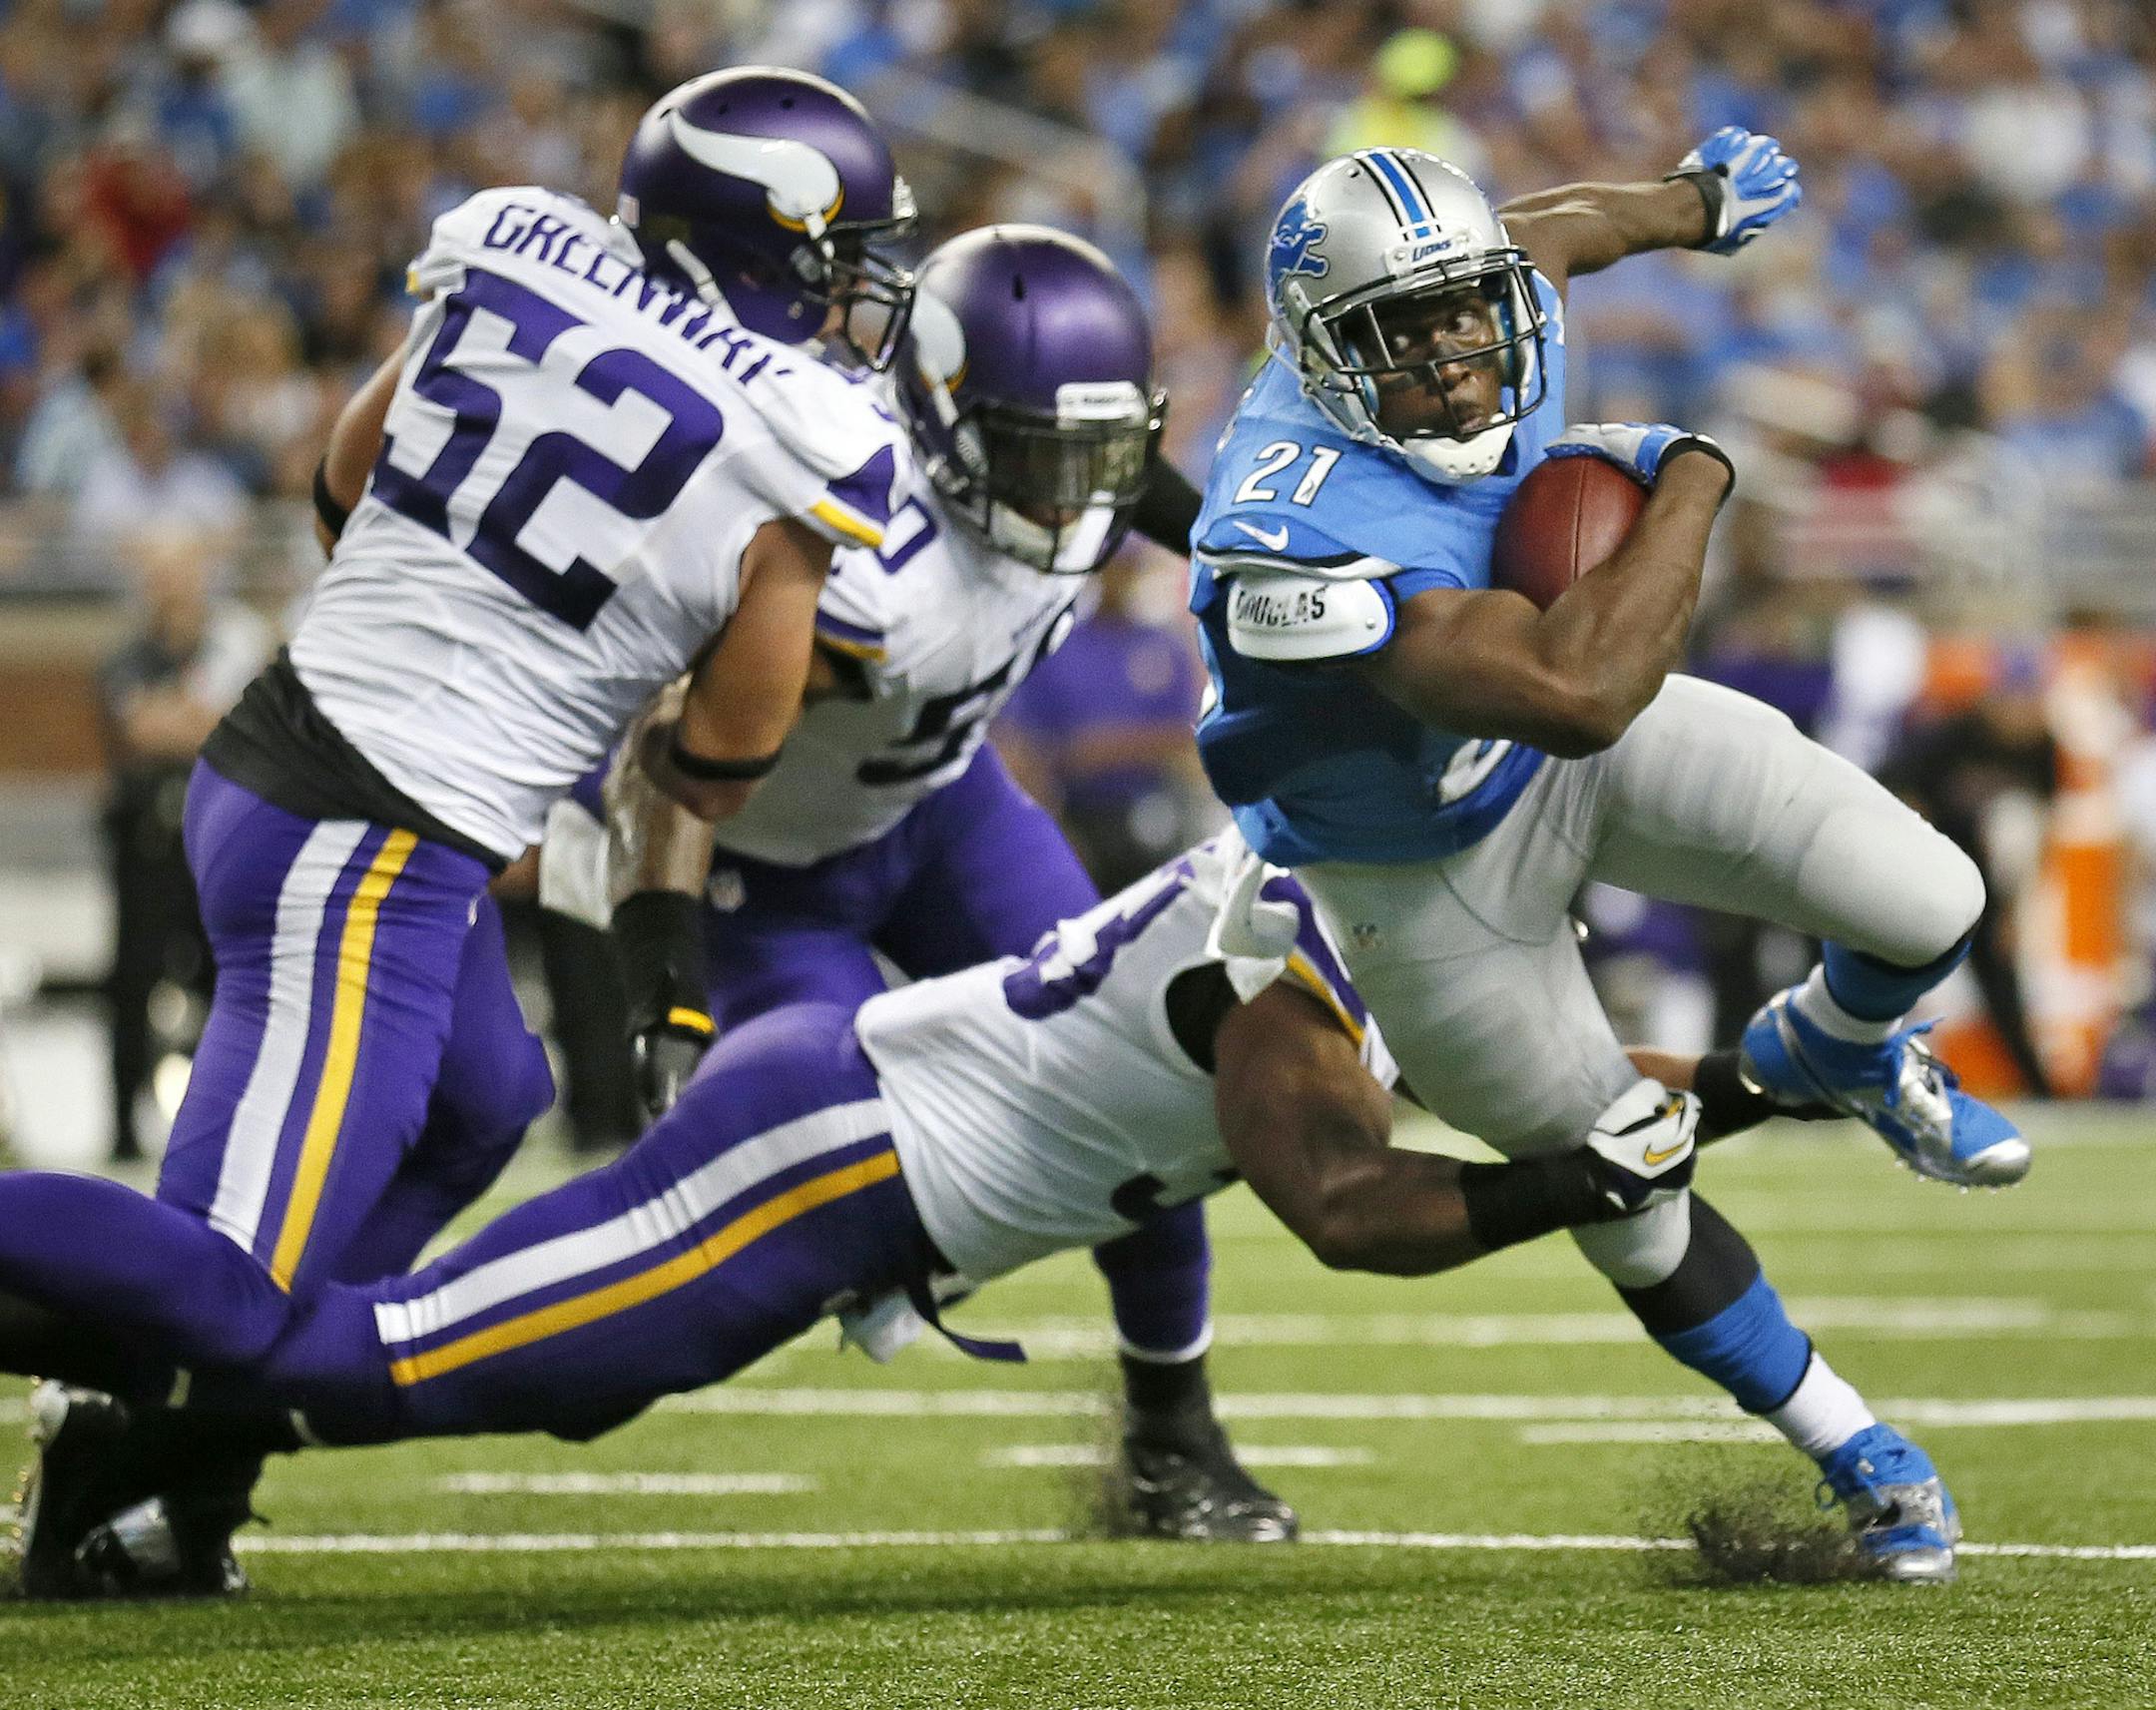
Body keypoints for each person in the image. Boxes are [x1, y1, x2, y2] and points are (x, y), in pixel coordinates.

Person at [14, 833, 1950, 1598]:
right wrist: (1577, 1181)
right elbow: (1351, 1204)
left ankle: (137, 1433)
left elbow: (1560, 1081)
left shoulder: (1361, 901)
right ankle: (122, 1404)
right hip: (825, 1161)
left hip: (849, 1159)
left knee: (506, 1377)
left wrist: (1776, 1078)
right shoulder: (1290, 974)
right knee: (363, 1356)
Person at [0, 66, 917, 1596]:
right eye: (837, 260)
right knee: (224, 1289)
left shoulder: (515, 244)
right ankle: (150, 1418)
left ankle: (170, 1446)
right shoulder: (803, 430)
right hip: (361, 844)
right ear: (762, 248)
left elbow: (340, 485)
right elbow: (727, 751)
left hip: (302, 761)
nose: (850, 295)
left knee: (482, 1100)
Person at [1184, 134, 2020, 1581]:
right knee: (1628, 1191)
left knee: (1931, 897)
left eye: (1467, 319)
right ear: (1320, 350)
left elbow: (1556, 228)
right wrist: (1689, 474)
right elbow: (1576, 694)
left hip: (1551, 758)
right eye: (1404, 338)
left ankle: (1837, 1051)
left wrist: (1694, 204)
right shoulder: (1288, 530)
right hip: (1420, 870)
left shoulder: (1500, 295)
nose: (1458, 369)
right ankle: (1864, 1455)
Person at [558, 225, 1286, 1541]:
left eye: (1099, 454)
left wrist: (1272, 558)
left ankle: (1173, 1431)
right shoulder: (851, 552)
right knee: (839, 1187)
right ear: (945, 422)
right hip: (767, 874)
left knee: (1147, 1086)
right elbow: (668, 762)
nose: (1075, 499)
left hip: (947, 813)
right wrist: (662, 983)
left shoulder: (1069, 456)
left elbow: (1137, 483)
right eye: (1041, 458)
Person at [95, 526, 272, 1160]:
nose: (172, 587)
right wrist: (194, 718)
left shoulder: (231, 646)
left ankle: (226, 1124)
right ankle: (123, 1128)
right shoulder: (128, 656)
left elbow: (233, 727)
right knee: (132, 982)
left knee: (227, 983)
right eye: (162, 574)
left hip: (215, 842)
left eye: (182, 572)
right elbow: (141, 729)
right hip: (145, 843)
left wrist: (184, 717)